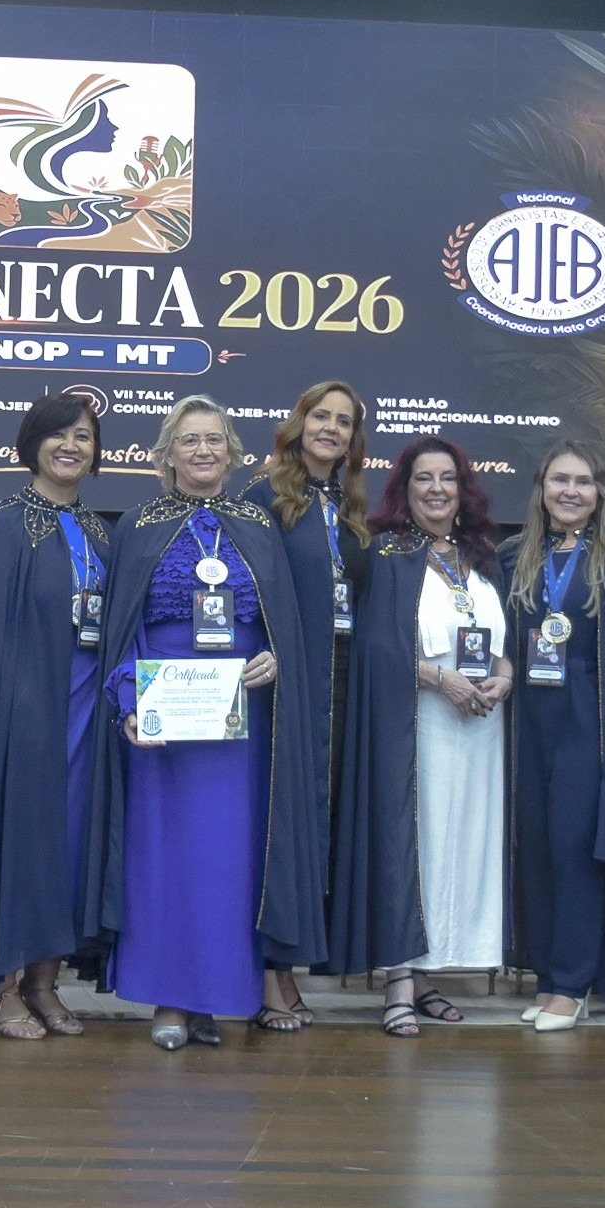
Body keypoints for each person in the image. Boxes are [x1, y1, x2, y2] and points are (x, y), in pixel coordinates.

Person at [82, 396, 327, 1049]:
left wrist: (273, 655)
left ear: (232, 452)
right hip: (166, 720)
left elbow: (281, 621)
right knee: (166, 859)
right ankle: (170, 997)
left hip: (239, 720)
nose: (202, 450)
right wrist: (130, 702)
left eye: (214, 439)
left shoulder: (257, 524)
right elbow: (122, 628)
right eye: (188, 440)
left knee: (228, 859)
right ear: (166, 455)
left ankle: (215, 995)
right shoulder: (138, 525)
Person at [330, 436, 511, 1036]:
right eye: (424, 478)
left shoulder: (482, 557)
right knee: (415, 844)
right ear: (405, 489)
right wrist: (440, 679)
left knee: (461, 848)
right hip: (417, 726)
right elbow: (376, 649)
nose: (437, 489)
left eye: (447, 478)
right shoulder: (387, 554)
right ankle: (400, 981)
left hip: (480, 729)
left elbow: (505, 639)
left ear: (463, 489)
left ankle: (431, 973)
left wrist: (506, 676)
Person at [0, 394, 113, 1040]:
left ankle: (45, 982)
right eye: (58, 435)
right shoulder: (4, 524)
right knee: (19, 843)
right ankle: (1, 987)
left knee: (68, 847)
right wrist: (13, 712)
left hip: (87, 714)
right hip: (22, 717)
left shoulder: (99, 530)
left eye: (83, 436)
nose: (71, 446)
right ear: (32, 445)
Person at [501, 441, 605, 1032]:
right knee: (536, 849)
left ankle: (573, 985)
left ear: (600, 493)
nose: (569, 491)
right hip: (527, 723)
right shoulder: (515, 557)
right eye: (559, 480)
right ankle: (548, 977)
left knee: (576, 852)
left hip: (586, 724)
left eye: (582, 482)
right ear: (541, 487)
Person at [244, 382, 371, 1027]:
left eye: (344, 422)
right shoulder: (261, 498)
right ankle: (271, 975)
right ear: (298, 423)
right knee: (282, 824)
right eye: (321, 415)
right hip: (285, 685)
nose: (332, 428)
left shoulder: (348, 506)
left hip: (340, 682)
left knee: (320, 825)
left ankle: (292, 964)